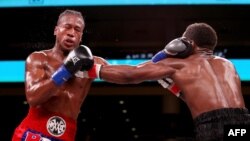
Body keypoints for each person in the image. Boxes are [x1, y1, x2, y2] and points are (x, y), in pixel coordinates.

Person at [86, 22, 250, 141]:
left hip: (211, 128)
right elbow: (219, 106)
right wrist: (178, 91)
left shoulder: (179, 64)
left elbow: (132, 74)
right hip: (242, 127)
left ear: (187, 43)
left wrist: (91, 69)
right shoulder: (228, 65)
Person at [12, 9, 107, 141]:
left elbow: (128, 74)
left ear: (81, 37)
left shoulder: (94, 62)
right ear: (56, 30)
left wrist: (146, 70)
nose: (71, 33)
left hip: (66, 135)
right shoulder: (39, 58)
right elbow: (33, 98)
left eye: (77, 29)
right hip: (33, 131)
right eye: (67, 27)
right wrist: (66, 70)